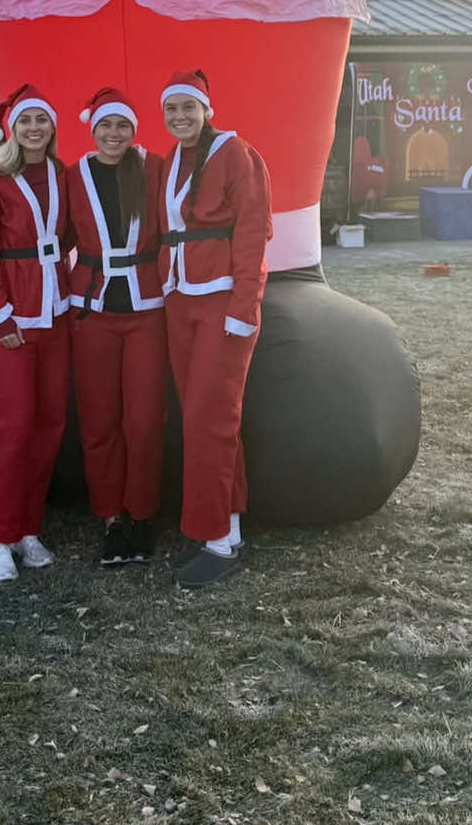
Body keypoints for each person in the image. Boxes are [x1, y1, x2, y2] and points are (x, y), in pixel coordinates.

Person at [158, 69, 271, 589]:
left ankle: (216, 544)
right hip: (180, 299)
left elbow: (252, 232)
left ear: (208, 109)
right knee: (203, 416)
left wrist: (243, 307)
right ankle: (230, 525)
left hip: (223, 300)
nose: (180, 117)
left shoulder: (237, 153)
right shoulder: (171, 161)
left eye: (189, 107)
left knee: (209, 417)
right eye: (171, 109)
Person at [0, 83, 72, 582]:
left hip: (57, 315)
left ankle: (28, 528)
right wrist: (0, 316)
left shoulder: (62, 176)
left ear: (52, 127)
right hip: (13, 323)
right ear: (12, 128)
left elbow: (71, 235)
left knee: (48, 427)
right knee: (13, 429)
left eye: (42, 120)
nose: (34, 128)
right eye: (25, 120)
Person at [66, 86, 167, 567]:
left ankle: (142, 513)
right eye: (105, 125)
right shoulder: (73, 176)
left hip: (147, 310)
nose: (113, 134)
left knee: (144, 422)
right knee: (100, 422)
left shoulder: (156, 168)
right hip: (91, 312)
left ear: (134, 130)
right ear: (93, 130)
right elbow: (52, 231)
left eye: (122, 125)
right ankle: (111, 518)